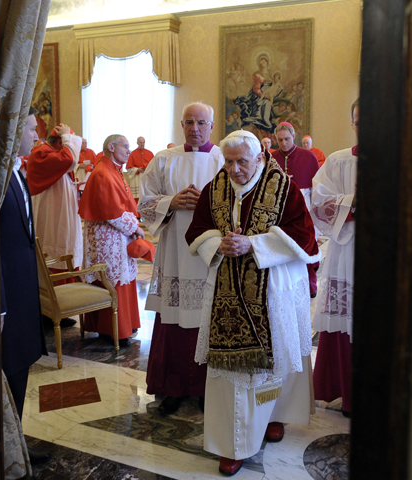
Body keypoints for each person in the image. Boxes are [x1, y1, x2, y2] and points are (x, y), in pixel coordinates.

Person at [186, 130, 321, 476]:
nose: (233, 169)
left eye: (241, 162)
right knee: (232, 375)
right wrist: (216, 243)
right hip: (227, 292)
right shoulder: (215, 187)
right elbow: (198, 227)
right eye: (228, 161)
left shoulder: (284, 187)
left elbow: (304, 235)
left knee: (280, 357)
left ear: (259, 158)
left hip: (274, 287)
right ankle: (233, 443)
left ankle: (277, 416)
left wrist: (255, 246)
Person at [138, 102, 225, 415]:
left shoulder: (223, 159)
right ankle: (173, 387)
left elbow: (239, 205)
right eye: (189, 122)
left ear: (212, 125)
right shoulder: (164, 159)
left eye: (202, 122)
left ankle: (206, 389)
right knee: (175, 322)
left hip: (210, 256)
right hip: (175, 252)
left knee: (207, 320)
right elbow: (144, 205)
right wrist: (170, 202)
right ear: (181, 124)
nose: (195, 128)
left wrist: (210, 205)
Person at [0, 107, 51, 466]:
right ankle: (5, 447)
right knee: (10, 367)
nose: (37, 136)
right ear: (16, 129)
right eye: (32, 129)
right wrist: (0, 302)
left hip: (23, 288)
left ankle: (16, 442)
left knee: (20, 369)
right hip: (8, 295)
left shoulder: (19, 170)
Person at [310, 98, 359, 418]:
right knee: (344, 319)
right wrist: (354, 202)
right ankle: (347, 392)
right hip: (347, 248)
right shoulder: (340, 161)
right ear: (353, 122)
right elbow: (319, 201)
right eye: (359, 119)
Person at [79, 135, 143, 347]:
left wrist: (133, 226)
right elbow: (113, 212)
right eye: (125, 146)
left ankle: (125, 325)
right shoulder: (103, 172)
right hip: (108, 236)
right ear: (111, 147)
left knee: (120, 276)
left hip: (116, 234)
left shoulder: (113, 168)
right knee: (112, 278)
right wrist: (135, 228)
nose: (129, 150)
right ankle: (113, 329)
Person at [26, 123, 83, 278]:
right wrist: (67, 137)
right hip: (52, 208)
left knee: (65, 237)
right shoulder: (41, 152)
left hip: (62, 207)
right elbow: (70, 159)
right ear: (60, 143)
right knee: (56, 240)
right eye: (65, 143)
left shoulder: (52, 152)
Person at [272, 121, 321, 296]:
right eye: (279, 140)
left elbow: (317, 186)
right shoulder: (271, 158)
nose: (283, 143)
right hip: (279, 206)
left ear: (294, 137)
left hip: (304, 202)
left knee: (305, 243)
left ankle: (310, 283)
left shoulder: (308, 157)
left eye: (287, 139)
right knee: (283, 243)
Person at [126, 136, 154, 204]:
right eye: (140, 142)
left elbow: (154, 166)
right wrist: (137, 170)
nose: (142, 144)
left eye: (143, 142)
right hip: (137, 178)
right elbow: (129, 168)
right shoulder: (132, 153)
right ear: (137, 143)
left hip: (147, 177)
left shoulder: (150, 153)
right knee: (138, 198)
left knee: (147, 196)